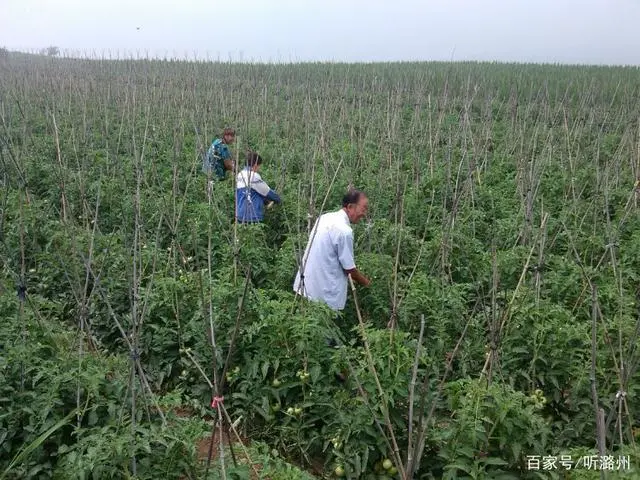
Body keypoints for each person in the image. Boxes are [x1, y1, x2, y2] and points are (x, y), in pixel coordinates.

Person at [293, 189, 371, 312]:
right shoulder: (344, 231)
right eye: (364, 208)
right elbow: (349, 269)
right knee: (320, 326)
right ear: (350, 207)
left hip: (306, 285)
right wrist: (367, 283)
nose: (365, 213)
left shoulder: (324, 218)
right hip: (322, 293)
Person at [236, 151, 281, 223]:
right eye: (259, 166)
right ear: (255, 165)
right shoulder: (254, 176)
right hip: (252, 216)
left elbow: (252, 192)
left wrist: (266, 202)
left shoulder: (240, 174)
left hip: (239, 214)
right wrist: (278, 199)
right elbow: (267, 192)